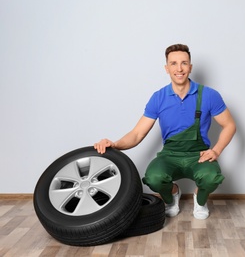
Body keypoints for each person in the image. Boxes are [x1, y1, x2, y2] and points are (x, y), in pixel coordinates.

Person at [94, 44, 236, 219]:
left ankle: (200, 201)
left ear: (190, 67)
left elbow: (229, 125)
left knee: (211, 177)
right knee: (154, 177)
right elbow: (138, 134)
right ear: (166, 68)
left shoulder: (208, 95)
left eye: (184, 63)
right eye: (174, 63)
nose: (179, 68)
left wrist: (216, 150)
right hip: (169, 155)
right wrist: (114, 144)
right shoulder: (158, 98)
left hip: (199, 155)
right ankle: (173, 194)